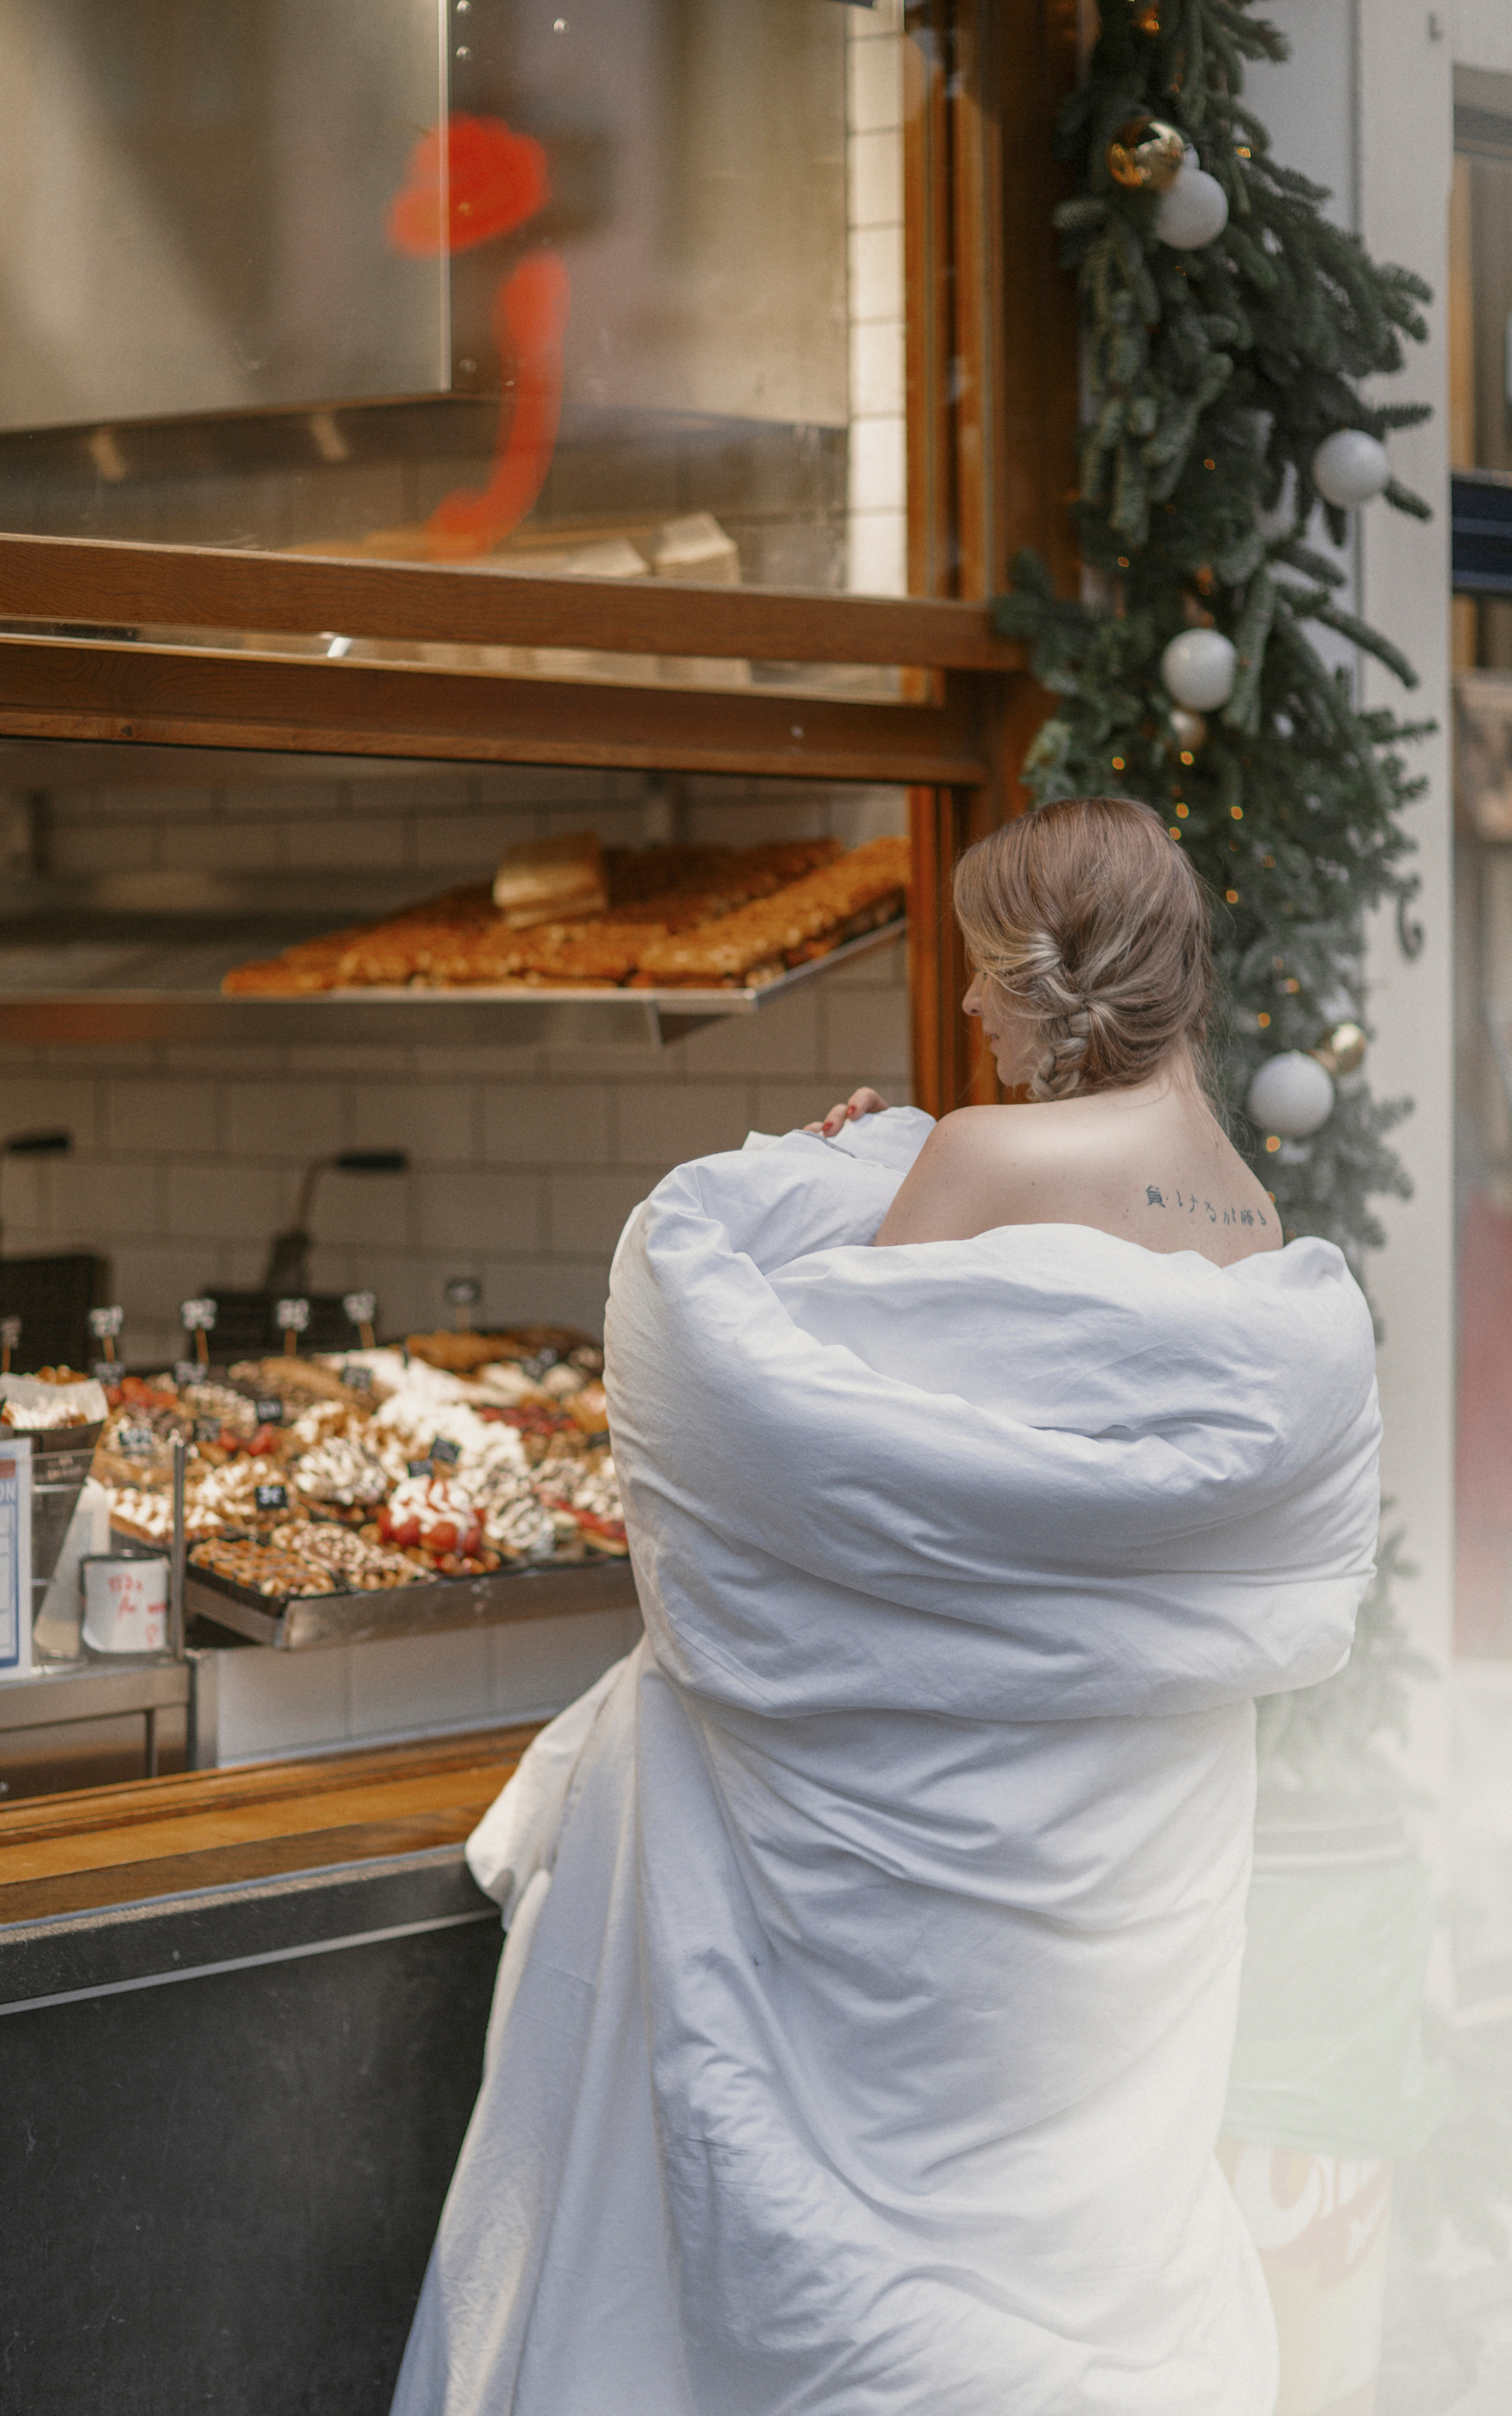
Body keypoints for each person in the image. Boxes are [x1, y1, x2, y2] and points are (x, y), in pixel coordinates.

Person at [392, 795, 1379, 2416]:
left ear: (1053, 981)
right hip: (1126, 1835)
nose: (971, 1004)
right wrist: (878, 1173)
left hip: (922, 1841)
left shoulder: (983, 1154)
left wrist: (824, 1178)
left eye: (985, 968)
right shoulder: (1251, 1220)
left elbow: (824, 1458)